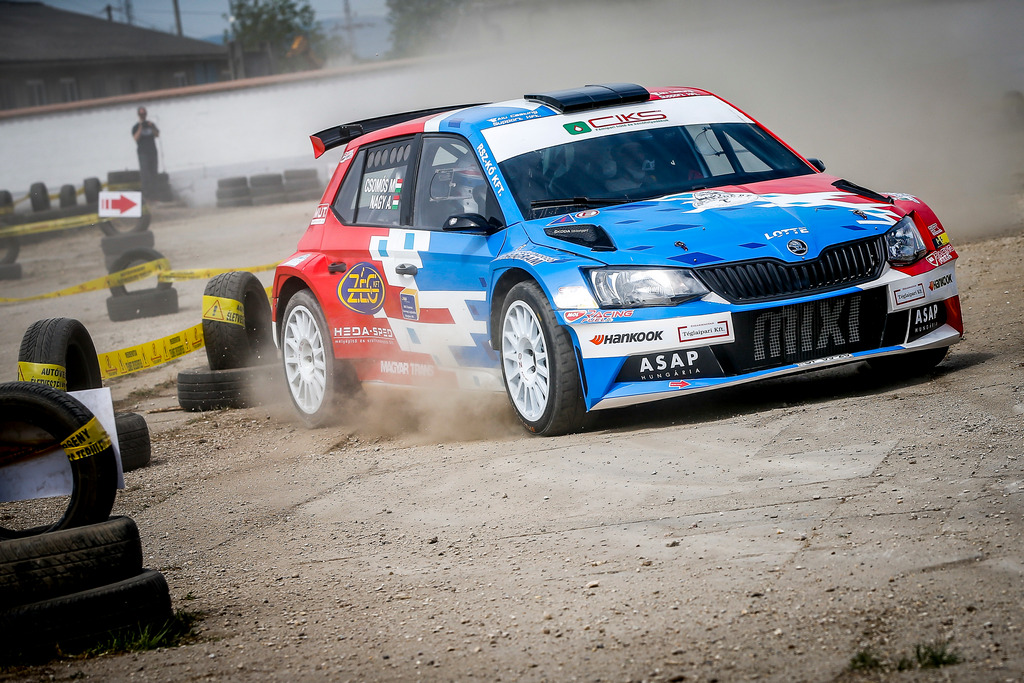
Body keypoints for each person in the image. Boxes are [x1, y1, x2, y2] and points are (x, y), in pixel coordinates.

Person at [132, 106, 160, 200]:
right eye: (141, 114)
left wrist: (151, 126)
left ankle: (155, 195)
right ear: (138, 115)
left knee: (153, 174)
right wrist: (140, 127)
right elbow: (135, 138)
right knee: (145, 175)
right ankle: (146, 196)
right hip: (143, 153)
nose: (143, 115)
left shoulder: (150, 124)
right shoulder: (136, 127)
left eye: (144, 114)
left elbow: (157, 135)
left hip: (152, 152)